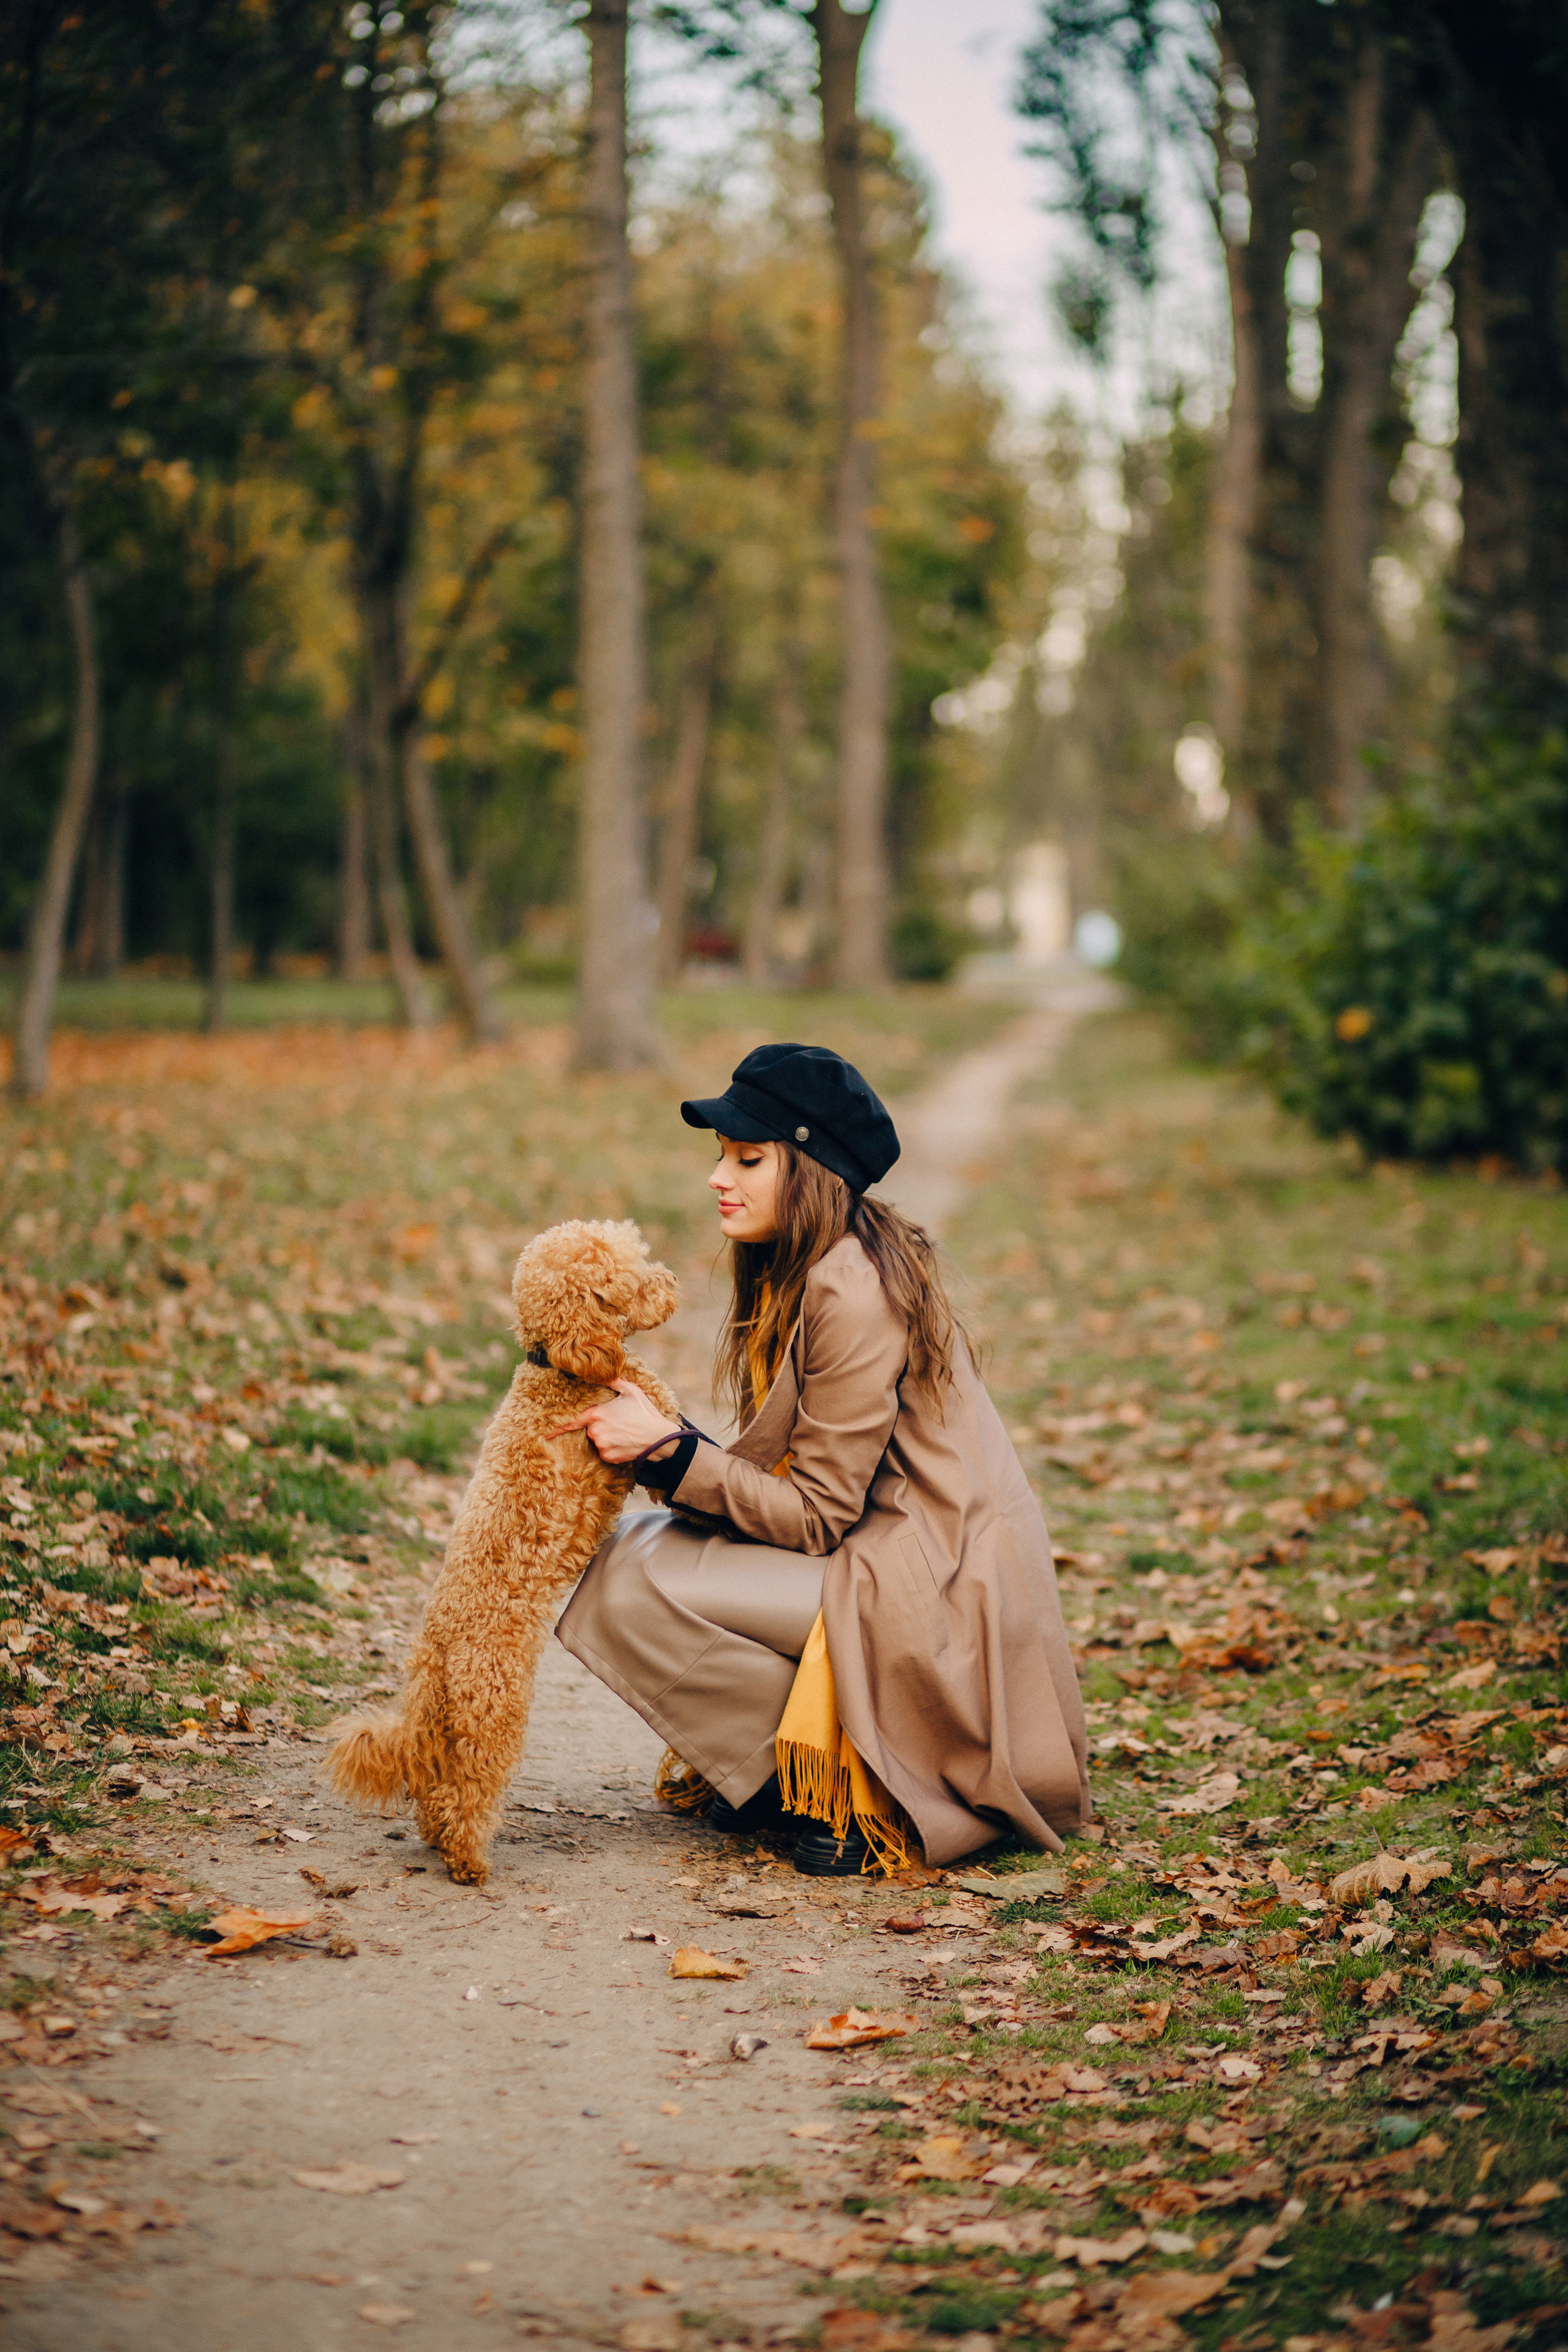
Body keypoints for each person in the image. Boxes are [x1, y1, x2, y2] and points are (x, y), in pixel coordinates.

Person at [551, 1042, 1090, 1876]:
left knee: (639, 1578)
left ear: (811, 1169)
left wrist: (670, 1451)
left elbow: (816, 1514)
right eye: (722, 1156)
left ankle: (856, 1785)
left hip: (930, 1595)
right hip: (892, 1563)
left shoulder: (851, 1285)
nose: (719, 1178)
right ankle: (793, 1772)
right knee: (632, 1561)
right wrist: (669, 1446)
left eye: (749, 1158)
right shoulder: (821, 1259)